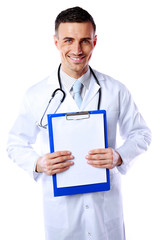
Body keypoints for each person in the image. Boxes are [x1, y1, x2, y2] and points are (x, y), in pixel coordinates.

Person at [7, 6, 151, 240]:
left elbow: (141, 134)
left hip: (105, 212)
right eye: (68, 40)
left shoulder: (115, 90)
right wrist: (38, 163)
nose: (76, 49)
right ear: (56, 43)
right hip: (61, 212)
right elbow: (15, 143)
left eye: (85, 40)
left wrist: (119, 155)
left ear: (95, 41)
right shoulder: (35, 95)